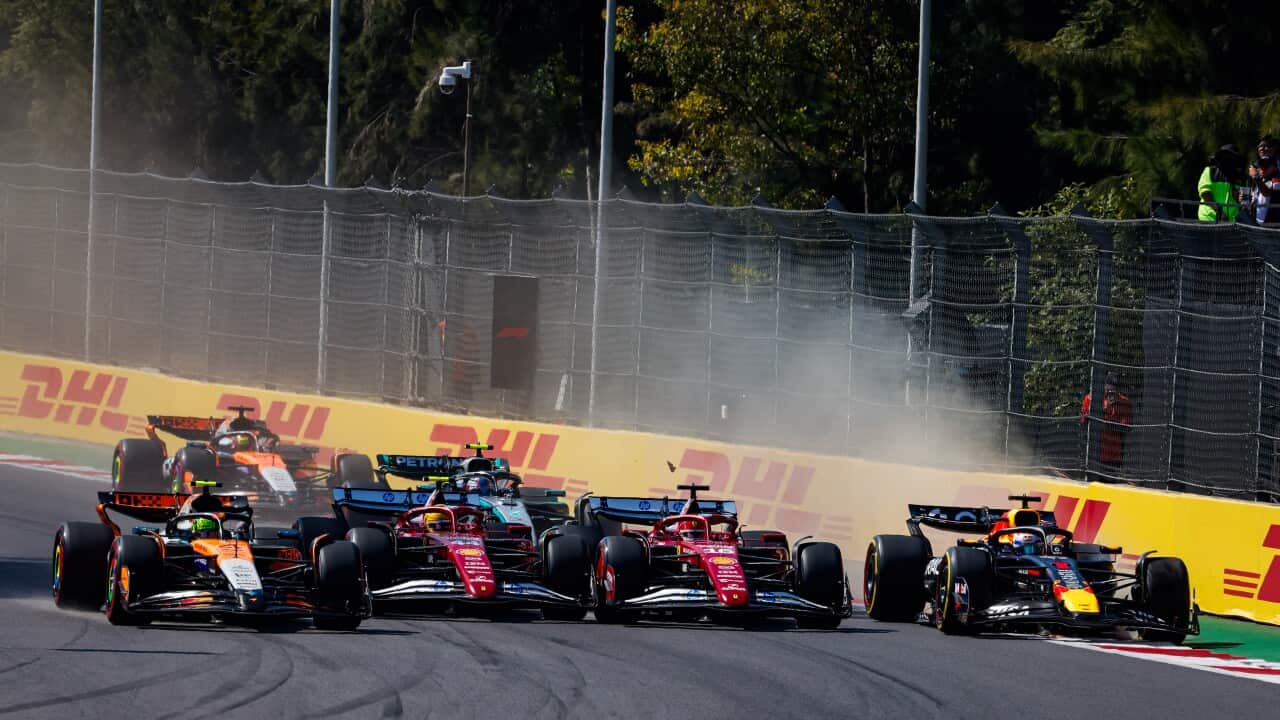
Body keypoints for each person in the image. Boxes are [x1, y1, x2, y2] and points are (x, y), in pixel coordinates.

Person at [1080, 372, 1134, 479]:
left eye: (1114, 388)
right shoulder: (1090, 398)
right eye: (1109, 387)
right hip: (1094, 453)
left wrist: (1112, 416)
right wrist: (1103, 410)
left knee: (1109, 486)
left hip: (1113, 455)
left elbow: (1126, 428)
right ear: (1104, 385)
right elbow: (1084, 421)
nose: (1111, 391)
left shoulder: (1124, 402)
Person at [1198, 144, 1245, 222]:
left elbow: (1244, 201)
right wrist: (1220, 213)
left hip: (1231, 222)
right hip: (1209, 219)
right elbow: (1205, 193)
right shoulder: (1210, 171)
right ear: (1219, 156)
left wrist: (1239, 198)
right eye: (1224, 155)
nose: (1227, 158)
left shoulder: (1241, 178)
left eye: (1231, 156)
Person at [1247, 137, 1280, 224]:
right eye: (1260, 165)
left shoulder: (1277, 173)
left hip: (1273, 227)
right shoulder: (1256, 176)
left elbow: (1268, 193)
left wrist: (1256, 177)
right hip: (1255, 225)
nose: (1261, 169)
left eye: (1266, 165)